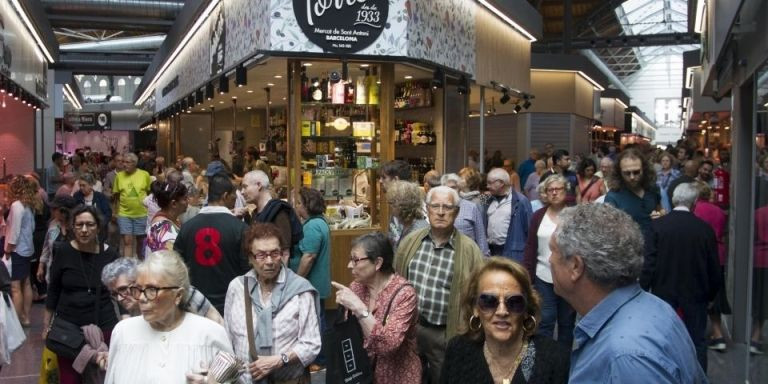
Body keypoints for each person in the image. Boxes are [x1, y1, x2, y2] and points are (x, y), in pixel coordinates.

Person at [549, 203, 706, 383]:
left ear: (575, 266)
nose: (549, 259)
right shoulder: (652, 306)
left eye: (553, 250)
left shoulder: (627, 357)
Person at [394, 186, 485, 384]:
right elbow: (396, 280)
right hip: (410, 329)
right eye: (435, 206)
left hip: (445, 333)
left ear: (457, 212)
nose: (441, 212)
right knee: (408, 378)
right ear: (427, 209)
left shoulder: (470, 250)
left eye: (447, 207)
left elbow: (478, 294)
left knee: (443, 379)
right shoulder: (411, 242)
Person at [105, 251, 234, 384]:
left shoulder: (210, 334)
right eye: (138, 289)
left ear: (178, 295)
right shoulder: (123, 333)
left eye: (152, 290)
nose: (142, 298)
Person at [441, 257, 569, 384]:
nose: (502, 311)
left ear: (526, 309)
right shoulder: (458, 350)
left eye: (514, 302)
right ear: (475, 308)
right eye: (489, 301)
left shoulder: (555, 359)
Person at [224, 223, 321, 383]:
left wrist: (279, 360)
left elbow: (311, 344)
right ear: (250, 258)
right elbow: (228, 338)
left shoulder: (300, 291)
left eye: (275, 253)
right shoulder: (237, 287)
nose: (269, 261)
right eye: (261, 255)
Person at [643, 183, 721, 372]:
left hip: (663, 293)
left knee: (663, 340)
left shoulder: (657, 227)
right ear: (695, 203)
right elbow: (714, 268)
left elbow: (649, 264)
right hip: (696, 295)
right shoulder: (704, 230)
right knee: (697, 342)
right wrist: (711, 296)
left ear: (672, 200)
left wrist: (643, 290)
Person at [44, 205, 120, 384]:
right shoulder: (62, 251)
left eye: (89, 225)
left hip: (104, 324)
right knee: (70, 379)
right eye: (79, 225)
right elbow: (54, 288)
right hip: (68, 329)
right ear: (72, 227)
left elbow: (119, 291)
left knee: (102, 377)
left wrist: (125, 319)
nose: (84, 230)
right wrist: (46, 324)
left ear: (98, 227)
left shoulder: (110, 254)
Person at [332, 232, 422, 383]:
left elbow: (388, 345)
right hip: (363, 374)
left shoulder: (404, 294)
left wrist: (359, 308)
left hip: (397, 376)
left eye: (355, 260)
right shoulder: (356, 287)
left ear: (378, 263)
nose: (349, 266)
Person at [175, 174, 249, 315]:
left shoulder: (187, 228)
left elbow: (177, 265)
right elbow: (247, 270)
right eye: (234, 195)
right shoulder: (240, 229)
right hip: (230, 303)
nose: (236, 199)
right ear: (225, 196)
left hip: (194, 303)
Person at [522, 174, 575, 347]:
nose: (553, 193)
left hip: (569, 277)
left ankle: (565, 361)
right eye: (549, 190)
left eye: (557, 189)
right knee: (546, 319)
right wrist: (527, 276)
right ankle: (545, 357)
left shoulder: (574, 214)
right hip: (543, 274)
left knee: (567, 322)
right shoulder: (538, 216)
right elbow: (530, 247)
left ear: (565, 191)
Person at [290, 187, 331, 370]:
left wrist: (296, 281)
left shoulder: (313, 225)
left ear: (307, 205)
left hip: (311, 283)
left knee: (316, 322)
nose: (296, 206)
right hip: (315, 284)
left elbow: (309, 256)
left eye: (298, 202)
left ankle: (319, 360)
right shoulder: (318, 222)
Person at [692, 182, 730, 352]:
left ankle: (698, 334)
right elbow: (723, 232)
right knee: (716, 294)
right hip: (719, 254)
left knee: (698, 293)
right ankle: (718, 333)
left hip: (700, 255)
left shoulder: (695, 210)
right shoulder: (719, 211)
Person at [5, 175, 43, 327]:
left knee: (15, 287)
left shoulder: (16, 206)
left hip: (17, 250)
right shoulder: (28, 205)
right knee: (26, 283)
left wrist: (8, 250)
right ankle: (26, 317)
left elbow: (14, 232)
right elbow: (31, 228)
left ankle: (16, 321)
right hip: (28, 248)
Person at [604, 148, 661, 241]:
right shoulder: (613, 197)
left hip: (654, 245)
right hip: (630, 249)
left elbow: (659, 209)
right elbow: (609, 231)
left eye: (636, 172)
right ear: (619, 173)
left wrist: (661, 215)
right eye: (626, 173)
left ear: (644, 169)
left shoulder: (653, 189)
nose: (632, 177)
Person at [242, 170, 303, 256]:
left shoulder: (278, 211)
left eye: (245, 187)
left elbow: (284, 253)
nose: (242, 192)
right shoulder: (256, 213)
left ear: (259, 185)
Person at [485, 168, 532, 260]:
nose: (487, 186)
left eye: (490, 183)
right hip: (491, 251)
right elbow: (475, 202)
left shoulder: (521, 201)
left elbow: (530, 230)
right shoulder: (487, 199)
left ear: (501, 183)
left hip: (511, 252)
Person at [112, 152, 152, 259]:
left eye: (127, 162)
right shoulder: (119, 176)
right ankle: (128, 267)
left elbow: (149, 193)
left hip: (142, 213)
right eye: (123, 162)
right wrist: (114, 212)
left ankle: (140, 264)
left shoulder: (145, 175)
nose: (124, 164)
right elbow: (116, 196)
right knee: (127, 241)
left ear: (135, 163)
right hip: (124, 214)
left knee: (141, 242)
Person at [441, 173, 489, 256]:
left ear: (459, 189)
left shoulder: (472, 206)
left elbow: (481, 237)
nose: (451, 191)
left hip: (467, 255)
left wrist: (484, 259)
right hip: (444, 256)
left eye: (454, 187)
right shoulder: (438, 207)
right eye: (447, 188)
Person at [37, 195, 78, 285]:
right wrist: (41, 265)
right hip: (53, 273)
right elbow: (47, 247)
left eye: (55, 209)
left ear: (64, 211)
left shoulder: (77, 227)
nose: (52, 211)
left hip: (72, 274)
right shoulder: (53, 224)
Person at [145, 181, 188, 256]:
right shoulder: (163, 228)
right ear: (174, 204)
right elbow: (169, 260)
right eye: (185, 199)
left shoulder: (171, 219)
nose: (188, 202)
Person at [386, 180, 429, 249]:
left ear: (402, 206)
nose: (391, 209)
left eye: (393, 204)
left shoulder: (418, 232)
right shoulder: (408, 225)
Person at [74, 173, 112, 242]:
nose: (81, 188)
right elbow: (73, 212)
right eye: (80, 185)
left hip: (99, 230)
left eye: (83, 185)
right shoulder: (77, 196)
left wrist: (100, 225)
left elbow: (108, 213)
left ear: (91, 185)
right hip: (82, 230)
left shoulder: (100, 197)